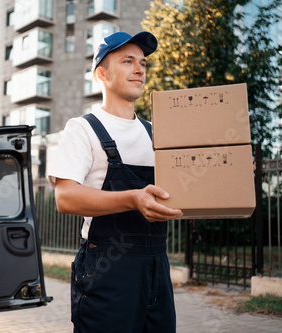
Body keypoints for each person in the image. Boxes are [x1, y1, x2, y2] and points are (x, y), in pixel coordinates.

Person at [48, 31, 184, 333]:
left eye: (143, 64)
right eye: (128, 61)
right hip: (106, 270)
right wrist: (133, 199)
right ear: (102, 73)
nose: (139, 70)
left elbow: (182, 188)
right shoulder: (83, 129)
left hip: (156, 268)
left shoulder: (156, 134)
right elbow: (65, 197)